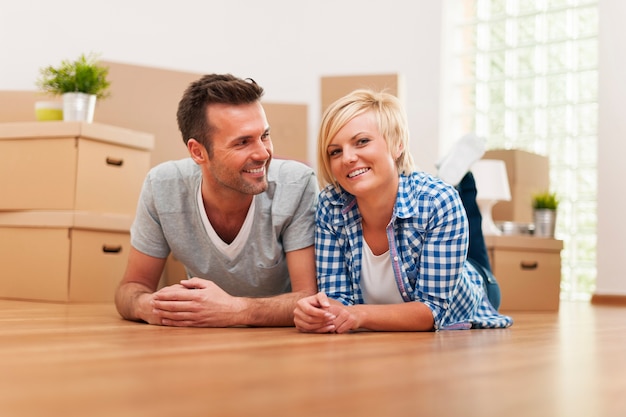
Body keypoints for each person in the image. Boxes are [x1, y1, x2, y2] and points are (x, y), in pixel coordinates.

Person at [294, 89, 513, 333]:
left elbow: (432, 310)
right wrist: (320, 313)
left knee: (477, 257)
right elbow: (337, 298)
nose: (347, 158)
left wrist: (358, 315)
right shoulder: (330, 205)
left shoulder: (439, 200)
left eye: (362, 141)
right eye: (335, 151)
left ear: (398, 144)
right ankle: (455, 178)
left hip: (473, 290)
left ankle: (465, 182)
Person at [115, 74, 319, 327]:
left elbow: (309, 298)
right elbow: (131, 288)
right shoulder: (163, 186)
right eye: (242, 142)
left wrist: (236, 310)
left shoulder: (297, 185)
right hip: (201, 341)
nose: (263, 153)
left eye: (264, 135)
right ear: (198, 152)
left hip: (281, 344)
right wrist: (149, 306)